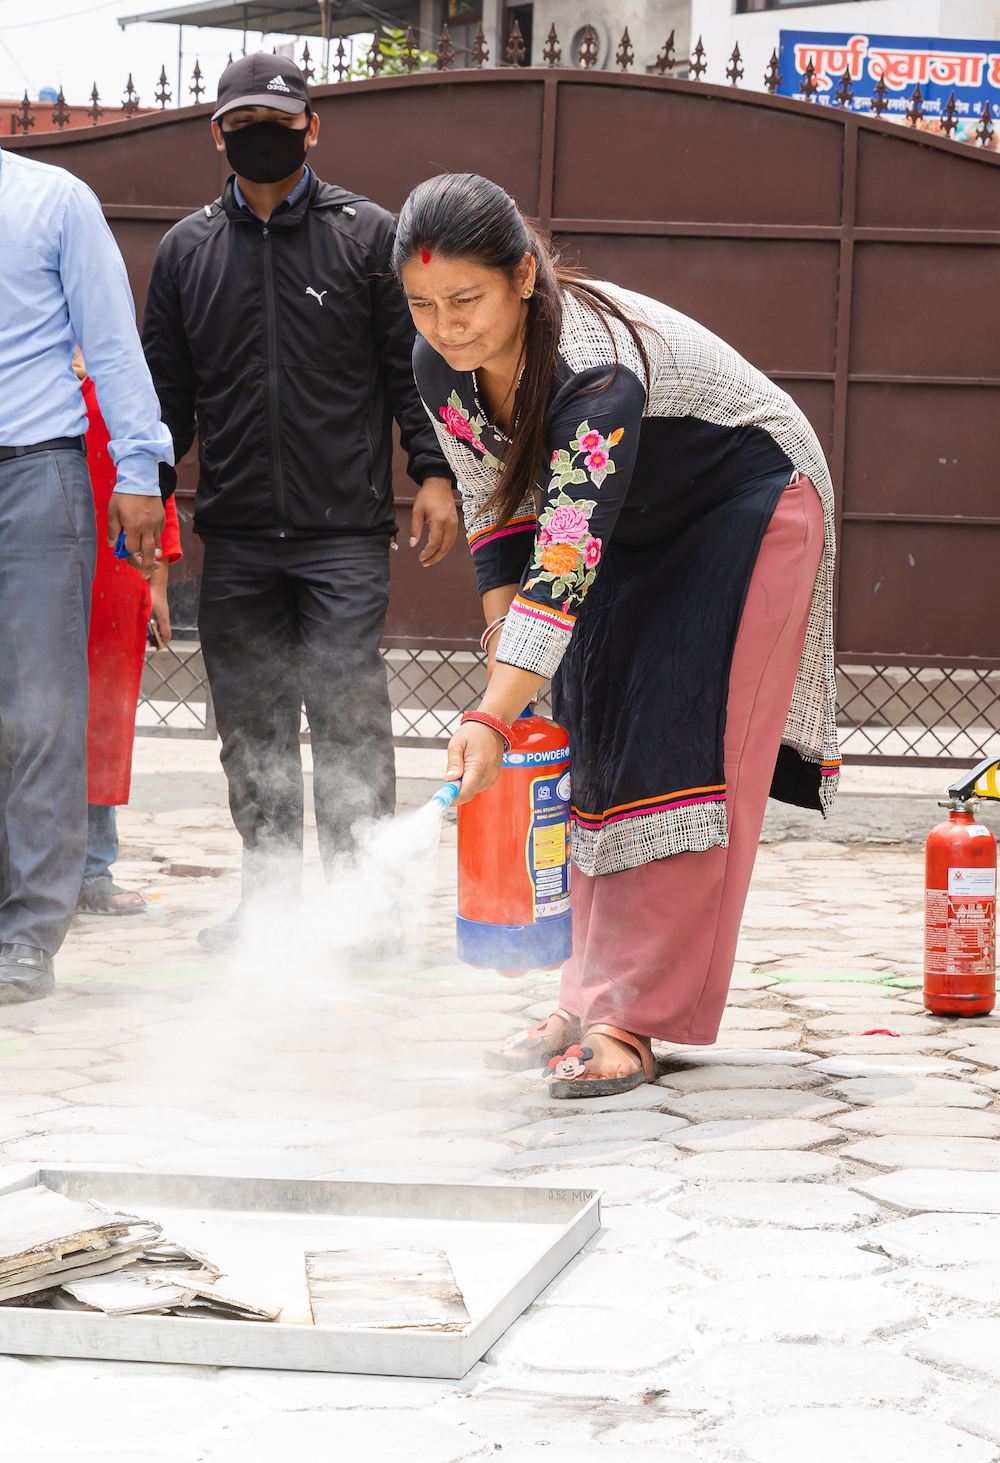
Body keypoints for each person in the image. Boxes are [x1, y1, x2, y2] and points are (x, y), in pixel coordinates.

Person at [397, 173, 840, 1098]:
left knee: (678, 748)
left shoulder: (592, 372)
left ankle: (633, 1016)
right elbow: (492, 504)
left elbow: (561, 567)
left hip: (744, 503)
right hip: (627, 525)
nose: (447, 325)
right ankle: (584, 993)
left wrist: (489, 715)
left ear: (523, 277)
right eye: (424, 304)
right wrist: (505, 674)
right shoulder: (438, 368)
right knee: (592, 738)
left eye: (467, 299)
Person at [142, 54, 457, 952]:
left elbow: (414, 369)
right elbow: (164, 402)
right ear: (218, 134)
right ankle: (272, 910)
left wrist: (433, 472)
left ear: (312, 126)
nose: (261, 136)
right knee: (253, 731)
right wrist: (153, 521)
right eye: (242, 124)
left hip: (342, 537)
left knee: (351, 722)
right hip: (236, 538)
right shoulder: (186, 251)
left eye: (278, 120)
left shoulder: (369, 237)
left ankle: (362, 919)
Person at [0, 141, 172, 1006]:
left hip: (34, 473)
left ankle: (27, 932)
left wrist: (140, 469)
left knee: (40, 706)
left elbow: (111, 342)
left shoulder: (53, 200)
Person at [71, 350, 183, 916]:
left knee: (103, 724)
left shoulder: (124, 393)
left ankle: (93, 869)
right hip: (37, 571)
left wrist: (157, 588)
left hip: (115, 580)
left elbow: (155, 491)